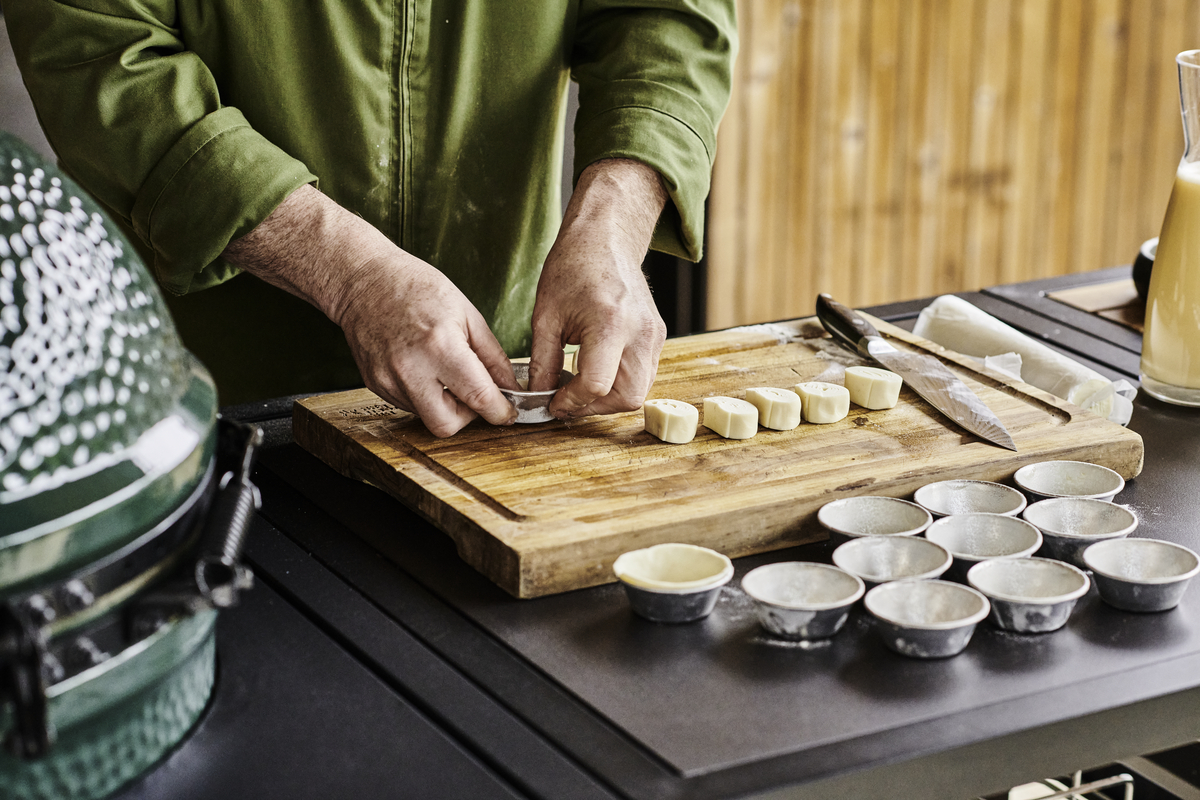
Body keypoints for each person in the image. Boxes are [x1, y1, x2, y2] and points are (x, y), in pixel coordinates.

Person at [3, 2, 737, 436]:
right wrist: (348, 273)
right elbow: (100, 53)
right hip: (219, 393)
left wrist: (613, 218)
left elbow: (668, 14)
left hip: (497, 375)